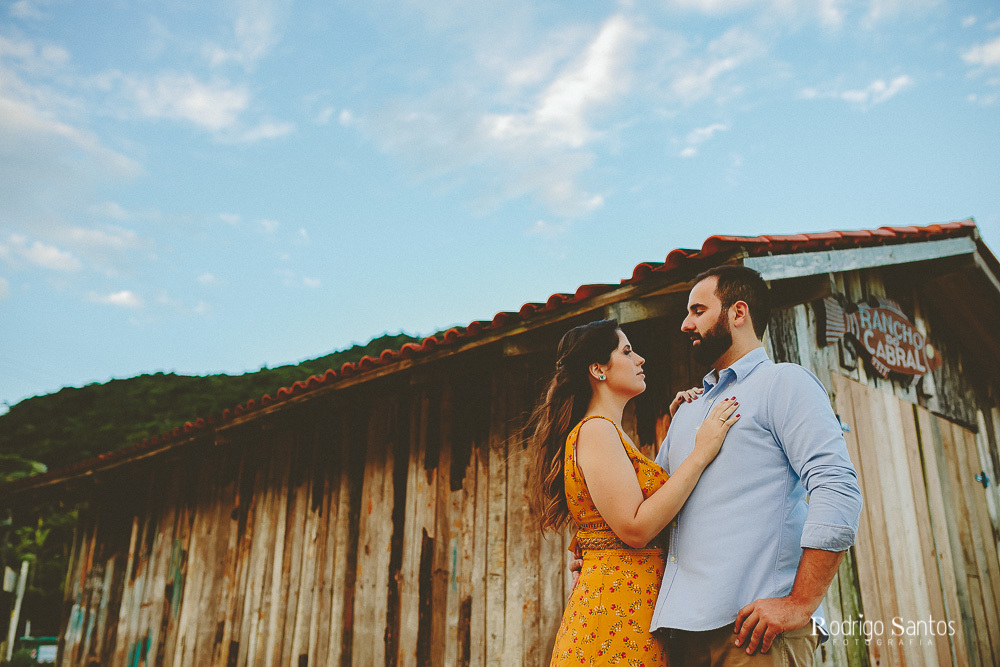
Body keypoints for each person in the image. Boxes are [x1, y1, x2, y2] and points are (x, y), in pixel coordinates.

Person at [650, 265, 864, 666]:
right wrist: (595, 547)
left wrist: (800, 603)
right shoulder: (687, 411)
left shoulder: (784, 384)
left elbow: (837, 487)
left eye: (697, 310)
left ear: (738, 312)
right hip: (678, 638)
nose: (685, 323)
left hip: (753, 638)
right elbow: (652, 504)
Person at [526, 318, 740, 665]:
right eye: (627, 351)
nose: (639, 359)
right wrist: (702, 451)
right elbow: (636, 527)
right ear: (598, 369)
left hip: (627, 609)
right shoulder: (596, 430)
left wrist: (677, 429)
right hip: (615, 617)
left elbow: (635, 499)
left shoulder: (611, 432)